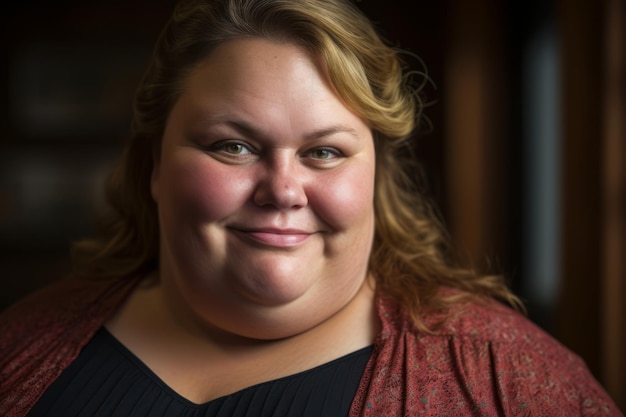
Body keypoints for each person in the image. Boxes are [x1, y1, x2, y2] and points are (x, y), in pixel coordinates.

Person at [0, 0, 621, 415]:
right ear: (156, 165)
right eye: (233, 145)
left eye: (323, 152)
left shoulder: (508, 379)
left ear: (373, 174)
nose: (283, 189)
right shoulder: (20, 346)